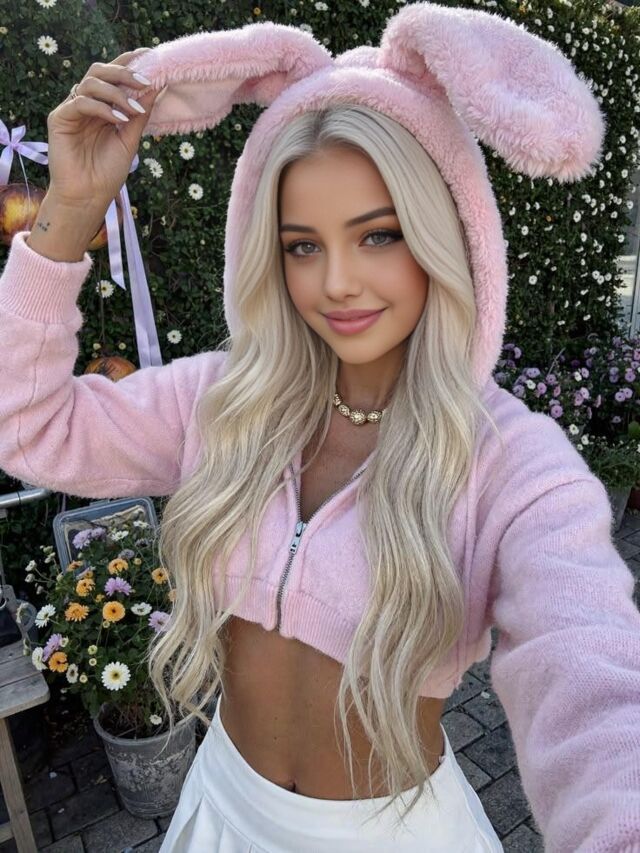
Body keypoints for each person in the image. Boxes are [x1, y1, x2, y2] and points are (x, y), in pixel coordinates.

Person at [0, 4, 639, 851]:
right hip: (221, 810)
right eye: (303, 245)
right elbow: (27, 423)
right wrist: (72, 206)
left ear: (445, 232)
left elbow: (594, 687)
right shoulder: (226, 400)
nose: (337, 281)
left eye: (379, 235)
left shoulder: (511, 463)